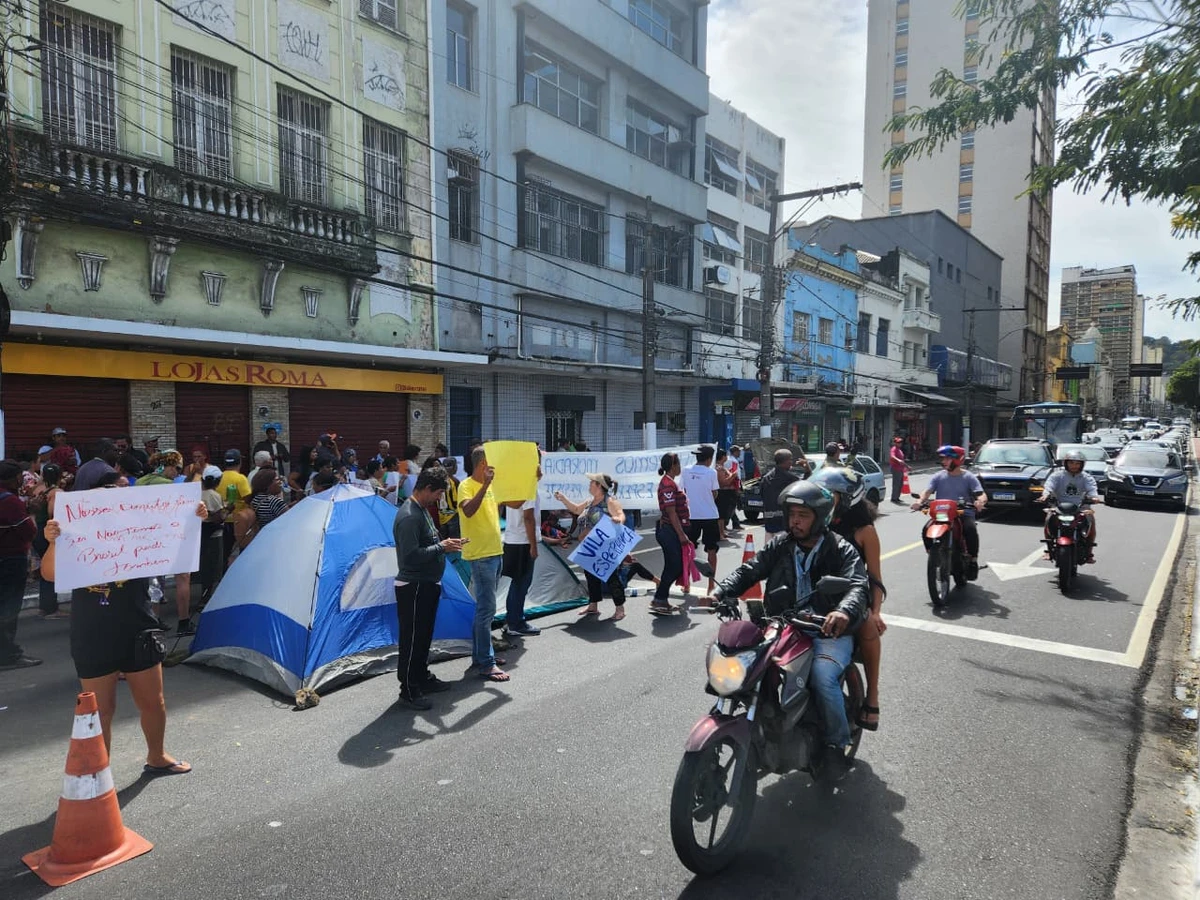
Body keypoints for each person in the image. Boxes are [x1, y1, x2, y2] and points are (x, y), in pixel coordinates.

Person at [39, 475, 207, 776]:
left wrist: (193, 519)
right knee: (101, 712)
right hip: (93, 633)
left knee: (154, 702)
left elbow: (176, 543)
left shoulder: (140, 534)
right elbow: (49, 574)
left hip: (138, 626)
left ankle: (157, 756)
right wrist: (53, 542)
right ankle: (98, 774)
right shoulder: (73, 536)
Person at [707, 480, 870, 771]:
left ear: (820, 518)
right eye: (792, 514)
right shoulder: (782, 544)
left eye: (803, 516)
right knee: (751, 666)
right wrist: (722, 591)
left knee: (822, 676)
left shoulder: (840, 548)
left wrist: (842, 612)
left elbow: (858, 584)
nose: (794, 521)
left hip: (827, 629)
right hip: (784, 624)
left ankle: (835, 743)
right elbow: (752, 568)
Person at [811, 467, 887, 732]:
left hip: (851, 599)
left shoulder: (864, 531)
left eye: (827, 494)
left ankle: (872, 696)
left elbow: (874, 578)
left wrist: (875, 611)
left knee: (868, 626)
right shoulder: (814, 523)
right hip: (812, 598)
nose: (820, 499)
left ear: (846, 498)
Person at [392, 467, 464, 709]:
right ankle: (409, 689)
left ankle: (421, 677)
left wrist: (447, 545)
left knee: (423, 636)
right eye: (438, 494)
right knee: (412, 639)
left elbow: (431, 543)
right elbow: (411, 556)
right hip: (414, 586)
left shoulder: (421, 510)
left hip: (427, 584)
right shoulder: (410, 516)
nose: (439, 499)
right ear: (427, 489)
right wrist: (443, 547)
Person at [458, 447, 509, 682]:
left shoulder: (492, 485)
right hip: (480, 556)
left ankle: (481, 656)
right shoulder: (466, 485)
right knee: (485, 609)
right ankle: (486, 663)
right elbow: (467, 511)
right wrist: (486, 486)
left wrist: (532, 481)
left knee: (486, 608)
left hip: (495, 552)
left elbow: (514, 504)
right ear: (482, 464)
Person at [136, 451, 200, 633]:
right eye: (177, 468)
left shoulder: (140, 482)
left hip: (145, 537)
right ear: (169, 466)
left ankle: (153, 621)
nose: (177, 473)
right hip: (172, 536)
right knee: (182, 577)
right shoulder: (171, 486)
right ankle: (184, 622)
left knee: (153, 580)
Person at [554, 473, 629, 620]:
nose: (589, 485)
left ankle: (620, 608)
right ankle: (593, 604)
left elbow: (621, 515)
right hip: (589, 547)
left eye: (592, 483)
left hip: (604, 545)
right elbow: (576, 510)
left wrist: (617, 519)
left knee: (611, 576)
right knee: (590, 576)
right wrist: (563, 499)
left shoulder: (609, 501)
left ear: (599, 486)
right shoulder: (590, 502)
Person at [911, 445, 986, 575]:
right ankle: (934, 556)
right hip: (942, 514)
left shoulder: (968, 477)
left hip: (962, 513)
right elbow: (927, 491)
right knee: (925, 529)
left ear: (957, 459)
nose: (943, 462)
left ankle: (973, 559)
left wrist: (980, 501)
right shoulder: (938, 476)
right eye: (943, 459)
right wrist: (919, 501)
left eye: (947, 459)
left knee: (970, 530)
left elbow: (981, 493)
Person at [0, 460, 40, 669]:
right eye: (19, 477)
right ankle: (8, 656)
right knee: (8, 608)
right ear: (12, 478)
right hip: (10, 559)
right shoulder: (10, 502)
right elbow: (29, 531)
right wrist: (30, 512)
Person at [501, 466, 543, 638]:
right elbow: (528, 517)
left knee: (517, 583)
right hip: (522, 541)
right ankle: (516, 622)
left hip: (512, 539)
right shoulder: (528, 487)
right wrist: (533, 545)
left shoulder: (514, 486)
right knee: (522, 583)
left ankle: (512, 620)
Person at [1039, 449, 1101, 562]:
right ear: (1065, 463)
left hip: (1080, 506)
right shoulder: (1057, 475)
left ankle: (1089, 553)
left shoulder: (1086, 477)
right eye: (1071, 463)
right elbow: (1049, 486)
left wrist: (1094, 497)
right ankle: (1048, 551)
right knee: (1048, 519)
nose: (1074, 466)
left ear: (1082, 465)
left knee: (1090, 521)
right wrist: (1045, 495)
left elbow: (1092, 489)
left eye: (1077, 463)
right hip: (1059, 506)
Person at [681, 446, 721, 594]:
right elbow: (714, 493)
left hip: (691, 515)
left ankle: (686, 583)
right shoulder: (711, 472)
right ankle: (710, 585)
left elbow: (682, 491)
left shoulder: (686, 470)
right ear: (709, 459)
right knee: (712, 550)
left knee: (688, 549)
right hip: (710, 515)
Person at [653, 451, 690, 614]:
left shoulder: (671, 483)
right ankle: (660, 599)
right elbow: (672, 512)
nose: (680, 467)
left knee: (672, 565)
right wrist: (682, 535)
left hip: (670, 530)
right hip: (669, 531)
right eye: (679, 464)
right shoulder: (668, 485)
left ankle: (660, 599)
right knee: (675, 566)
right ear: (673, 466)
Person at [31, 463, 67, 619]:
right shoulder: (56, 492)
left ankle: (44, 606)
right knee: (51, 569)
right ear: (60, 476)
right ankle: (50, 608)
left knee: (44, 569)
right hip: (48, 533)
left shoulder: (37, 490)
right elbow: (54, 514)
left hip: (36, 531)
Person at [218, 450, 253, 564]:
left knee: (224, 551)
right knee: (243, 550)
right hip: (238, 520)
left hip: (222, 518)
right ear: (240, 462)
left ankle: (221, 576)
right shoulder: (240, 478)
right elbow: (247, 497)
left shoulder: (219, 477)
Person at [198, 466, 226, 605]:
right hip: (214, 535)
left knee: (205, 566)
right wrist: (228, 509)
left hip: (200, 534)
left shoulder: (198, 494)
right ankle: (209, 597)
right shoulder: (214, 496)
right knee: (214, 566)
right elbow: (217, 518)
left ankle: (205, 594)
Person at [760, 449, 802, 537]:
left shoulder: (766, 478)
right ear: (786, 461)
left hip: (769, 521)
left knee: (769, 548)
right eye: (790, 459)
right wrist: (808, 470)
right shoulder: (790, 478)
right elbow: (803, 489)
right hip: (783, 523)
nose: (792, 462)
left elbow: (762, 495)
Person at [715, 449, 741, 537]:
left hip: (726, 493)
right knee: (720, 514)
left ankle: (722, 531)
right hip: (722, 493)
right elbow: (723, 483)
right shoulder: (719, 468)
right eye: (725, 455)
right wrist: (733, 476)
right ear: (722, 457)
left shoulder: (722, 467)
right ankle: (720, 533)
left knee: (723, 515)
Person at [888, 436, 909, 504]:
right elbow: (892, 456)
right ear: (895, 443)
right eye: (898, 442)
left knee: (900, 484)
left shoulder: (899, 450)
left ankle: (897, 497)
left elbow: (902, 461)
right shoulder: (894, 449)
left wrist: (907, 466)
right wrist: (898, 460)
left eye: (900, 442)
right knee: (896, 484)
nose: (900, 443)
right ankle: (894, 498)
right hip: (895, 469)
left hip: (901, 469)